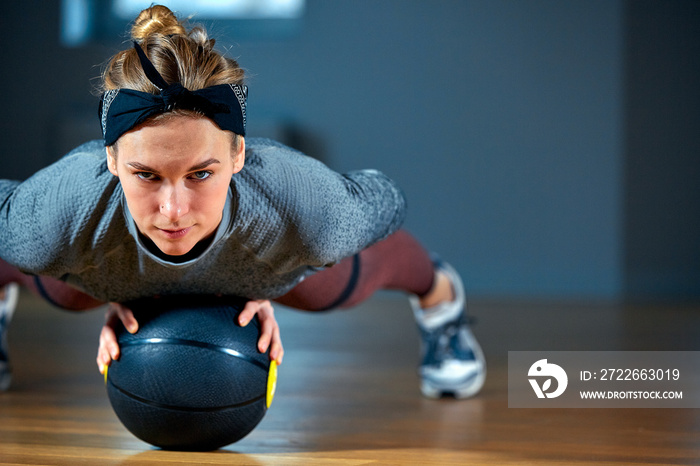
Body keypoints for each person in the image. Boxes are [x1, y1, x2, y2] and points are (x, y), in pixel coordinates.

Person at [0, 5, 485, 399]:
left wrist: (253, 273)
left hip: (262, 259)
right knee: (53, 275)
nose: (174, 209)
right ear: (111, 157)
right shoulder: (52, 215)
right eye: (146, 174)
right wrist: (120, 283)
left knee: (326, 284)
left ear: (238, 155)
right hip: (105, 256)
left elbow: (388, 199)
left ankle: (442, 300)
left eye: (201, 173)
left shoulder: (307, 209)